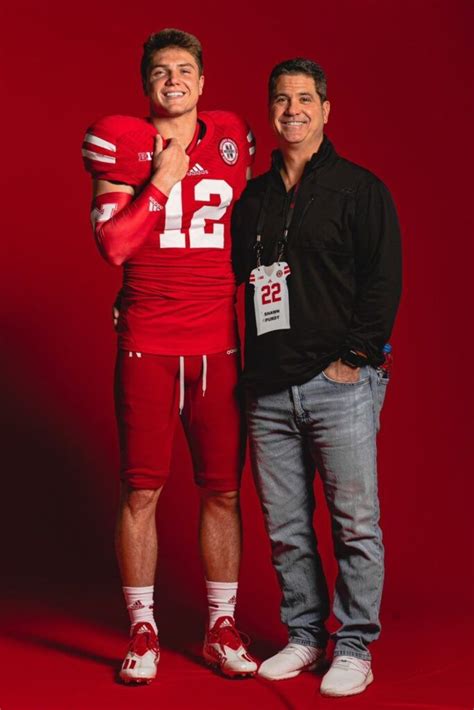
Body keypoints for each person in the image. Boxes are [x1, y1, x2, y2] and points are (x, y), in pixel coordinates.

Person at [82, 28, 257, 684]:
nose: (174, 80)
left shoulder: (236, 135)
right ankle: (144, 630)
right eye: (161, 71)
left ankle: (220, 625)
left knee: (223, 492)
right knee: (142, 491)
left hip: (220, 343)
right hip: (148, 344)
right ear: (145, 84)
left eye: (185, 69)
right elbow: (116, 247)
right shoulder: (124, 144)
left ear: (203, 81)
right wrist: (160, 178)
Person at [232, 57, 402, 697]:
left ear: (327, 110)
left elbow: (384, 282)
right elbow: (227, 281)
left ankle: (354, 646)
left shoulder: (360, 189)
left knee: (355, 522)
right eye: (281, 99)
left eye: (305, 98)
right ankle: (304, 635)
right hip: (268, 389)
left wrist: (352, 361)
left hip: (341, 388)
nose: (293, 109)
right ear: (271, 111)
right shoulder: (253, 198)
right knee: (286, 527)